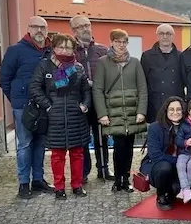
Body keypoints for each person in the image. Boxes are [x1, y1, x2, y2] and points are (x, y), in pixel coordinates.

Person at [29, 33, 91, 199]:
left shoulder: (78, 68)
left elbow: (86, 90)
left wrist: (85, 104)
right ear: (54, 48)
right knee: (57, 156)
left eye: (68, 47)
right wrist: (48, 106)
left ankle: (77, 185)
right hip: (55, 119)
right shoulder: (45, 66)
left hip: (76, 117)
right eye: (61, 46)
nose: (64, 50)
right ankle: (59, 187)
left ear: (73, 49)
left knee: (77, 153)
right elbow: (35, 88)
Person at [0, 15, 55, 199]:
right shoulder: (16, 50)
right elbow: (4, 79)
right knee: (24, 144)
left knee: (40, 144)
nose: (39, 31)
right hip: (24, 106)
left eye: (43, 27)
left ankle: (38, 180)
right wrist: (16, 99)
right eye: (36, 27)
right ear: (29, 28)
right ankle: (24, 184)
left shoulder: (51, 51)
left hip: (45, 105)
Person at [92, 28, 148, 193]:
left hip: (132, 111)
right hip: (113, 112)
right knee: (118, 146)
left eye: (124, 42)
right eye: (118, 42)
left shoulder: (135, 62)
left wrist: (141, 111)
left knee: (129, 146)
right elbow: (97, 89)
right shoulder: (103, 62)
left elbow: (142, 88)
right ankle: (118, 179)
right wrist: (102, 113)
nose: (121, 45)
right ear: (112, 42)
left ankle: (126, 179)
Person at [139, 96, 191, 210]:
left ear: (183, 110)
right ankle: (161, 195)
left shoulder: (190, 125)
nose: (175, 112)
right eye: (171, 109)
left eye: (178, 109)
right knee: (165, 168)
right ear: (166, 110)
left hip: (185, 165)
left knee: (183, 186)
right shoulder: (155, 127)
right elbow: (155, 155)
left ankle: (177, 190)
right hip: (162, 165)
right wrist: (178, 161)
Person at [69, 15, 113, 183]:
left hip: (100, 101)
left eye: (88, 25)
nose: (86, 29)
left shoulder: (102, 50)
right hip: (79, 102)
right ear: (73, 31)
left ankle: (104, 168)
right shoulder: (69, 50)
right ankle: (83, 172)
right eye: (81, 27)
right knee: (82, 138)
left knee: (102, 136)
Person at [141, 23, 184, 123]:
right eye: (161, 33)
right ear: (157, 36)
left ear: (173, 36)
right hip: (154, 105)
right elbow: (143, 82)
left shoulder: (181, 56)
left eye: (168, 34)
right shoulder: (147, 56)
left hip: (175, 106)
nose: (165, 36)